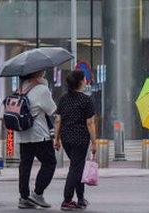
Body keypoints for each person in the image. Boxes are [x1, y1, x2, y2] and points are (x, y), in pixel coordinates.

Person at [53, 70, 97, 211]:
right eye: (84, 79)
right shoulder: (86, 100)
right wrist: (94, 142)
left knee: (77, 166)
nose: (86, 81)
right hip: (80, 139)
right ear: (80, 82)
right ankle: (67, 200)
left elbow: (58, 120)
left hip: (66, 138)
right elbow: (90, 123)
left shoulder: (63, 99)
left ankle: (81, 199)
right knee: (76, 168)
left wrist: (57, 138)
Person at [17, 70, 58, 210]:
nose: (45, 73)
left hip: (22, 135)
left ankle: (23, 197)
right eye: (43, 71)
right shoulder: (41, 89)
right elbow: (52, 109)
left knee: (25, 166)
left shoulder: (21, 88)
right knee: (50, 162)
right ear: (38, 73)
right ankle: (38, 194)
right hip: (39, 134)